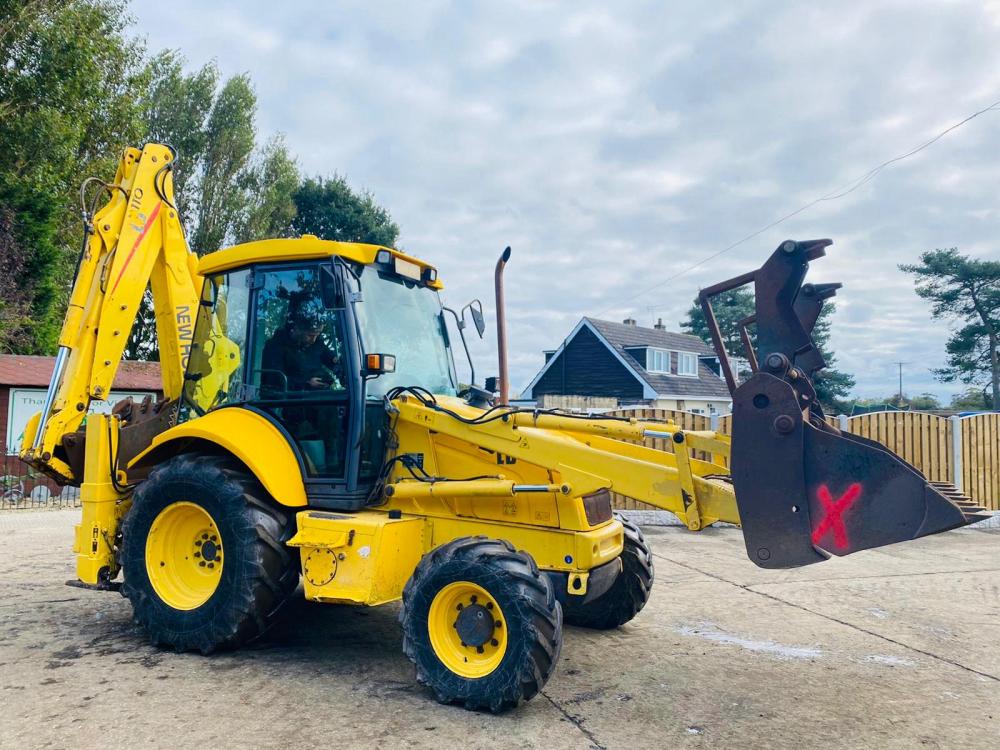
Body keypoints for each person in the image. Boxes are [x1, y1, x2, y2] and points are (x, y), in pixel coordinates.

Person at [261, 298, 342, 394]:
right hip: (290, 402)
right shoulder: (275, 347)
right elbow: (274, 380)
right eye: (310, 335)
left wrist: (339, 364)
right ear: (297, 329)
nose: (314, 339)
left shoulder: (316, 343)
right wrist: (306, 383)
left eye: (317, 335)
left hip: (320, 399)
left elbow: (330, 359)